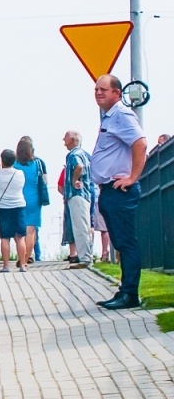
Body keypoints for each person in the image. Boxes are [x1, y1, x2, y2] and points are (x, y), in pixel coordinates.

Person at [90, 74, 147, 309]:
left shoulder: (121, 114)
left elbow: (140, 143)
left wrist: (132, 177)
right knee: (121, 243)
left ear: (116, 92)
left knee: (126, 243)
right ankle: (124, 290)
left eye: (103, 89)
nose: (98, 93)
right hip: (109, 191)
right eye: (96, 89)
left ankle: (130, 294)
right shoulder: (109, 117)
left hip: (120, 191)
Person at [0, 150, 28, 272]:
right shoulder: (19, 173)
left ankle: (5, 266)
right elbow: (22, 185)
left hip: (3, 208)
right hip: (19, 206)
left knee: (5, 238)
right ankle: (22, 265)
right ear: (14, 160)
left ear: (2, 160)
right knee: (20, 237)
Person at [61, 130, 94, 268]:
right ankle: (86, 256)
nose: (63, 140)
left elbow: (79, 166)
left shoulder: (74, 154)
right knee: (84, 226)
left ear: (74, 140)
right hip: (85, 194)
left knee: (80, 227)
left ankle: (85, 259)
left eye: (66, 138)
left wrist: (74, 179)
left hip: (76, 194)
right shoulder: (85, 154)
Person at [14, 136, 48, 265]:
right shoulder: (38, 163)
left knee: (19, 231)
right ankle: (26, 258)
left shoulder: (14, 164)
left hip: (18, 198)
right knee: (31, 231)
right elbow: (45, 182)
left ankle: (21, 257)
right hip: (34, 199)